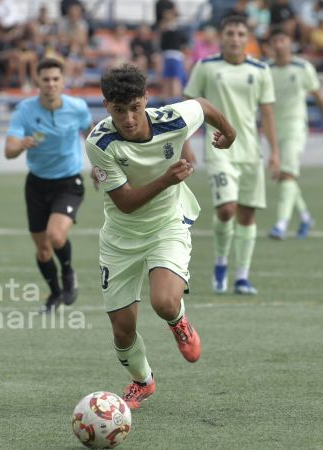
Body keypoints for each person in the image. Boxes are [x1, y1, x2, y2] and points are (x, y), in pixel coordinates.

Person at [85, 64, 236, 409]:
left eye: (135, 108)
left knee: (164, 302)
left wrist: (230, 134)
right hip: (121, 238)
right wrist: (167, 179)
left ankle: (178, 322)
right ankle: (143, 381)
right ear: (107, 106)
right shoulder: (100, 143)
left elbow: (204, 106)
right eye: (119, 110)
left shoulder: (172, 119)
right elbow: (124, 204)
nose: (128, 118)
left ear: (145, 100)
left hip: (167, 224)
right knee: (122, 330)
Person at [184, 15, 279, 295]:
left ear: (247, 38)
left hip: (251, 151)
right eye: (230, 33)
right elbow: (189, 105)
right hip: (218, 148)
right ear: (222, 37)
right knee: (227, 209)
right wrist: (186, 143)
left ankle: (241, 276)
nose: (235, 38)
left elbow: (267, 113)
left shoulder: (260, 70)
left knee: (248, 215)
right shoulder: (206, 67)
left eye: (240, 33)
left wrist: (275, 153)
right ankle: (221, 263)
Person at [5, 57, 92, 313]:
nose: (51, 84)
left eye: (56, 79)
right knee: (43, 249)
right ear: (37, 82)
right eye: (46, 79)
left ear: (63, 81)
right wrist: (21, 144)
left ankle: (68, 272)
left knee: (56, 236)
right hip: (37, 184)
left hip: (69, 182)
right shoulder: (25, 110)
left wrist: (101, 165)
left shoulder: (77, 108)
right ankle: (54, 294)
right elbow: (9, 149)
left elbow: (92, 136)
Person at [267, 28, 323, 240]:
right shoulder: (265, 69)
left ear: (290, 42)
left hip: (296, 127)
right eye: (275, 40)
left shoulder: (302, 67)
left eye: (283, 39)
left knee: (287, 174)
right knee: (284, 176)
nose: (279, 44)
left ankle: (281, 224)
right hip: (273, 129)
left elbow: (319, 97)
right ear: (271, 45)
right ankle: (305, 216)